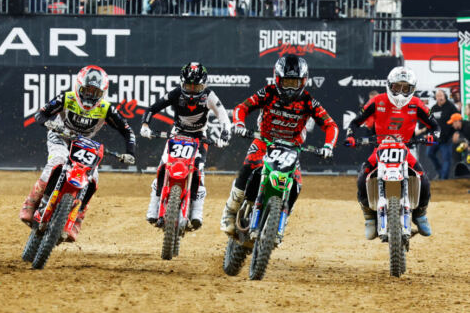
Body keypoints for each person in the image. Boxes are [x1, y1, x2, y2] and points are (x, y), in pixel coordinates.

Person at [220, 55, 339, 236]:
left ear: (303, 81)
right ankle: (230, 211)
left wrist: (328, 146)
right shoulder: (267, 93)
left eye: (295, 82)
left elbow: (331, 125)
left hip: (291, 149)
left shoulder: (308, 101)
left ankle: (282, 216)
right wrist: (239, 124)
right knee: (249, 167)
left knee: (296, 184)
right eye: (286, 82)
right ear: (277, 79)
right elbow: (241, 108)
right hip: (264, 141)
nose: (290, 88)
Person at [19, 65, 136, 240]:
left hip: (84, 144)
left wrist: (130, 153)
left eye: (95, 92)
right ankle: (31, 203)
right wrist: (48, 123)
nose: (90, 95)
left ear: (102, 93)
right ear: (79, 86)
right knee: (57, 161)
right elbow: (40, 114)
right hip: (60, 136)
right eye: (87, 90)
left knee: (93, 178)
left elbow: (127, 131)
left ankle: (77, 218)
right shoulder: (67, 98)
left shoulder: (106, 108)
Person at [345, 67, 439, 238]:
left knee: (424, 180)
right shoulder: (377, 101)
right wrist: (350, 136)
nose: (401, 92)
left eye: (406, 88)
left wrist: (433, 136)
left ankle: (420, 215)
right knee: (362, 178)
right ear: (389, 85)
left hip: (404, 149)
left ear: (412, 89)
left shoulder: (417, 104)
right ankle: (369, 217)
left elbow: (435, 126)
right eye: (397, 87)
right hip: (381, 148)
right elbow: (355, 122)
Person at [141, 62, 231, 230]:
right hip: (178, 133)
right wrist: (145, 125)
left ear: (204, 85)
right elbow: (153, 108)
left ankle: (196, 212)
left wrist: (225, 135)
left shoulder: (209, 95)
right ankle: (153, 208)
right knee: (163, 166)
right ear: (182, 83)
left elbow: (223, 116)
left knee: (198, 170)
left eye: (196, 87)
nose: (191, 90)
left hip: (199, 136)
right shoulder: (176, 93)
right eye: (188, 86)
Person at [426, 89, 459, 179]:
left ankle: (444, 178)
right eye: (437, 96)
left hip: (446, 138)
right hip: (435, 138)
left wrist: (456, 132)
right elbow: (429, 122)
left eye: (441, 95)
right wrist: (428, 133)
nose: (439, 98)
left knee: (446, 159)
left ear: (445, 96)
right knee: (429, 153)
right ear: (435, 97)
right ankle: (440, 172)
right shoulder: (433, 108)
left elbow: (458, 120)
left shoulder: (451, 107)